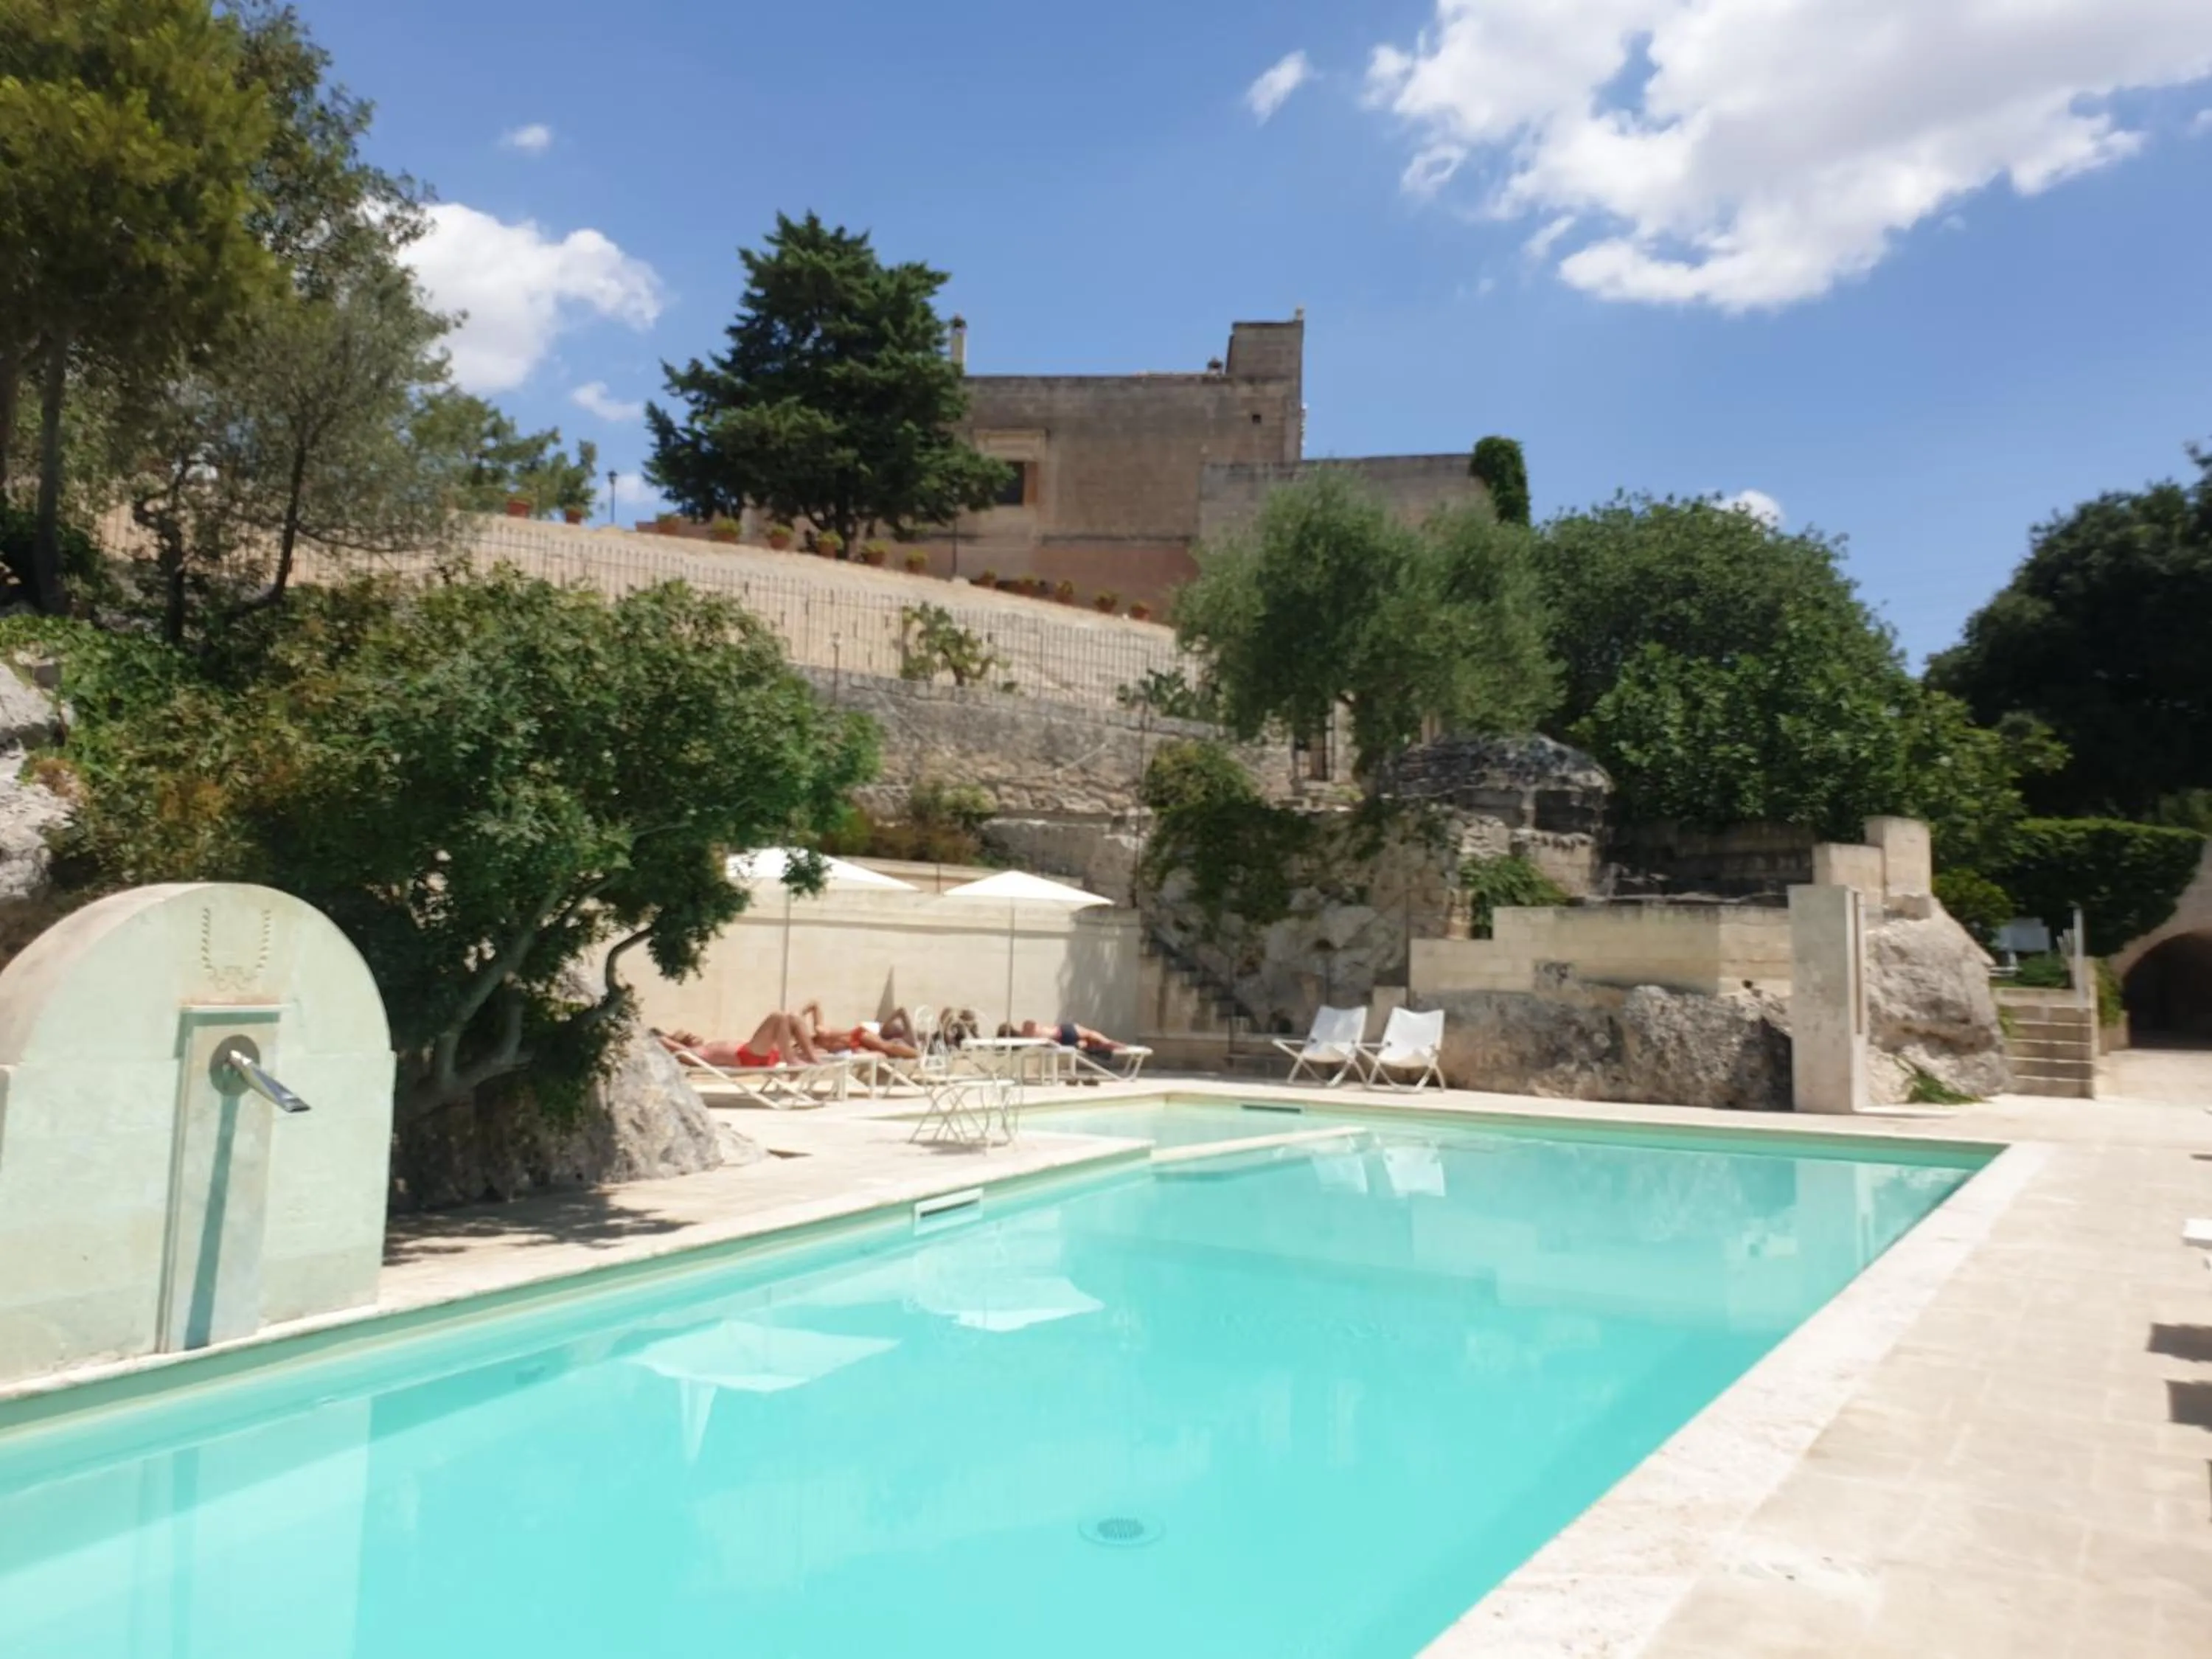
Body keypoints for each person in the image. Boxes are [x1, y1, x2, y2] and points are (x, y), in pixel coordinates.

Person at [655, 1009, 826, 1070]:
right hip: (749, 1057)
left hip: (758, 1053)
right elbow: (663, 1041)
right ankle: (791, 1061)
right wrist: (661, 1037)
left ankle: (813, 1058)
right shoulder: (694, 1053)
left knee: (793, 1017)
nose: (691, 1035)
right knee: (778, 1016)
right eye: (686, 1037)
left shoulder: (707, 1046)